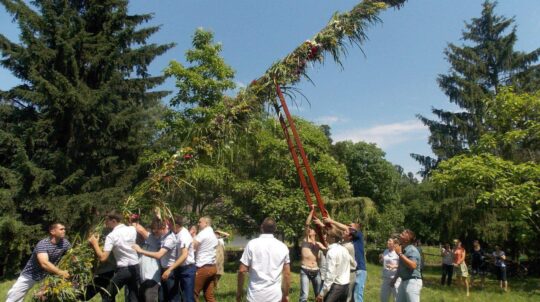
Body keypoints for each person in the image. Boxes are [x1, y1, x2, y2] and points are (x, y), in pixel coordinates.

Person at [6, 223, 71, 302]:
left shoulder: (65, 243)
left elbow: (71, 254)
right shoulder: (43, 244)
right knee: (13, 298)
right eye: (61, 229)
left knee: (47, 298)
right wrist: (61, 272)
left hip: (48, 276)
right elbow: (44, 263)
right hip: (30, 275)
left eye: (64, 229)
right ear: (52, 231)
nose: (64, 231)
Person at [89, 211, 140, 302]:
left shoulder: (111, 236)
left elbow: (103, 258)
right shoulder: (132, 229)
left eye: (107, 221)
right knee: (133, 296)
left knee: (107, 295)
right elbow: (133, 225)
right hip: (135, 268)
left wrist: (95, 244)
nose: (105, 223)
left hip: (124, 269)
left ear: (113, 221)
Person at [237, 217, 291, 302]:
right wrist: (286, 294)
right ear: (275, 229)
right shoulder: (283, 247)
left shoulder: (252, 244)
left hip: (254, 296)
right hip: (275, 296)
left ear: (261, 227)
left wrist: (239, 292)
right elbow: (287, 274)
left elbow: (242, 270)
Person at [132, 218, 179, 302]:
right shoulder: (160, 238)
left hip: (154, 278)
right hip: (144, 279)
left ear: (163, 227)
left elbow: (141, 229)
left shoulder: (154, 239)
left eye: (155, 230)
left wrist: (130, 220)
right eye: (152, 229)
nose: (153, 231)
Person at [323, 216, 367, 302]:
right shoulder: (346, 241)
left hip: (360, 270)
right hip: (351, 271)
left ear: (355, 229)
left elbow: (346, 229)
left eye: (350, 226)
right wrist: (327, 222)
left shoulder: (359, 236)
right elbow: (335, 233)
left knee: (357, 296)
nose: (347, 227)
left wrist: (331, 221)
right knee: (350, 297)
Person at [315, 227, 355, 302]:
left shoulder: (331, 252)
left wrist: (321, 294)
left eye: (327, 235)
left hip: (336, 287)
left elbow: (330, 276)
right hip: (346, 286)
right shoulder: (344, 249)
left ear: (333, 238)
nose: (325, 236)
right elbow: (354, 263)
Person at [164, 215, 196, 302]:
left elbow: (184, 255)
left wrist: (169, 269)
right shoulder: (175, 233)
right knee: (175, 295)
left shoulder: (184, 236)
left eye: (170, 224)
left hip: (187, 269)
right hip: (179, 268)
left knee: (187, 297)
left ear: (176, 225)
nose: (168, 226)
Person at [300, 206, 325, 302]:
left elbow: (327, 251)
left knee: (319, 296)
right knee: (304, 296)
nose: (310, 229)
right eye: (309, 229)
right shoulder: (306, 240)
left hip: (316, 271)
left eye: (312, 229)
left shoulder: (318, 244)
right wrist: (312, 211)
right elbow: (307, 224)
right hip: (305, 270)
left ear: (315, 233)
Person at [392, 229, 422, 302]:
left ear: (407, 239)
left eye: (403, 234)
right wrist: (395, 278)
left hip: (412, 281)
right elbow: (401, 267)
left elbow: (413, 265)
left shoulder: (412, 250)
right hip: (404, 281)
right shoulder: (403, 250)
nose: (400, 234)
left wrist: (400, 254)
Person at [193, 216, 219, 302]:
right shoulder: (213, 234)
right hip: (212, 267)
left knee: (193, 293)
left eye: (200, 222)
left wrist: (191, 235)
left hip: (203, 267)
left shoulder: (203, 233)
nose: (198, 224)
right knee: (209, 296)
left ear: (206, 223)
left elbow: (193, 246)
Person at [380, 238, 400, 302]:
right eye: (387, 240)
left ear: (394, 243)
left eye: (390, 241)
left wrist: (394, 266)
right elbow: (382, 262)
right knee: (383, 297)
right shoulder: (386, 251)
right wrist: (381, 259)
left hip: (395, 278)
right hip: (386, 277)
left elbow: (402, 265)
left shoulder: (398, 252)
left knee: (397, 298)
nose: (387, 242)